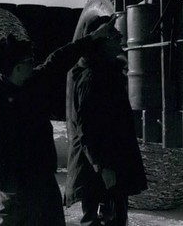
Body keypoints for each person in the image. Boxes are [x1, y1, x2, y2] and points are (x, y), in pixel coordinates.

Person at [0, 16, 118, 226]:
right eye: (28, 61)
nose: (33, 64)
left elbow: (58, 60)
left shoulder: (32, 83)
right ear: (17, 68)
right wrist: (11, 183)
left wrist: (93, 37)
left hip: (44, 183)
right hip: (19, 194)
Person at [65, 16, 147, 226]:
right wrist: (101, 167)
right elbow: (87, 127)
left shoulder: (107, 73)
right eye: (113, 34)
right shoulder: (93, 77)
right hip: (99, 173)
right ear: (100, 43)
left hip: (108, 168)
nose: (120, 36)